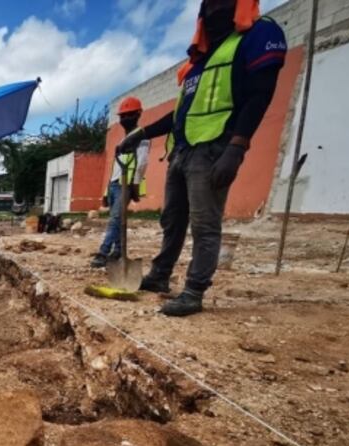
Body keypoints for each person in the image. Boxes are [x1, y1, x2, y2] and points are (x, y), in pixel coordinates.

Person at [118, 0, 285, 316]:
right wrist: (140, 134)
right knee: (172, 219)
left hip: (213, 148)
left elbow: (259, 96)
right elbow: (179, 114)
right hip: (181, 151)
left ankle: (194, 291)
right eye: (209, 4)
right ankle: (160, 275)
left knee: (204, 223)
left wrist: (237, 147)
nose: (214, 10)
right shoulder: (198, 61)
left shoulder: (257, 36)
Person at [91, 96, 150, 268]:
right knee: (117, 220)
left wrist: (135, 185)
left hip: (127, 184)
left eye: (129, 115)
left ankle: (103, 252)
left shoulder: (142, 138)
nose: (125, 119)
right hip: (114, 184)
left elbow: (142, 163)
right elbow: (114, 169)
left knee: (115, 219)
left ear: (138, 114)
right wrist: (106, 192)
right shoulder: (122, 141)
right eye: (122, 116)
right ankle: (118, 251)